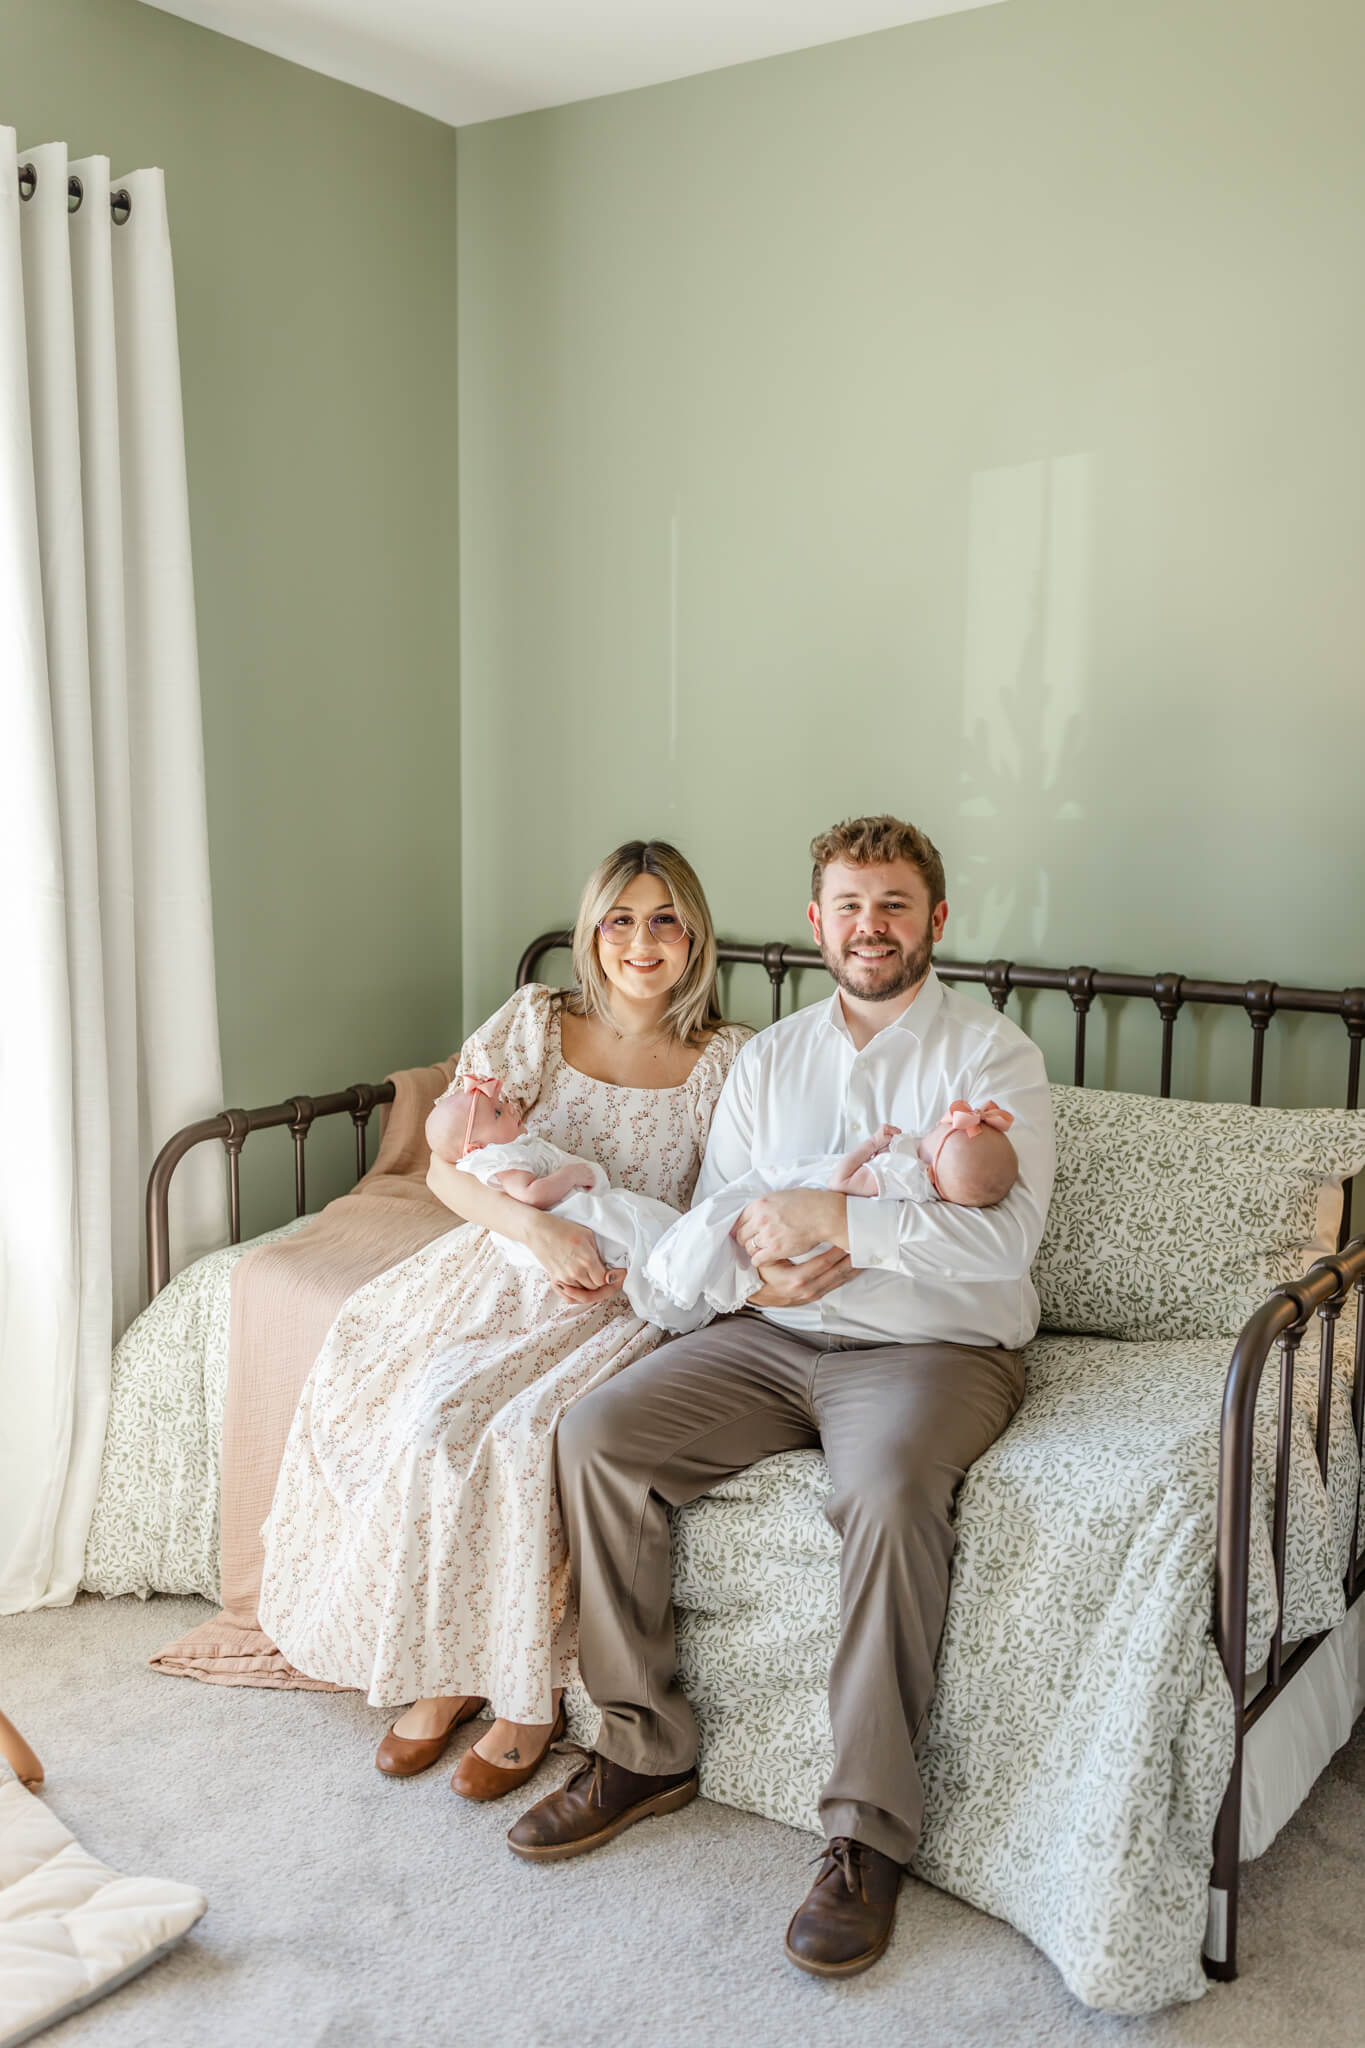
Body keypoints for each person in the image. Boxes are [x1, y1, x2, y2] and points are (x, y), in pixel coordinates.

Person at [508, 814, 1055, 1979]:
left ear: (937, 920)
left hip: (934, 1351)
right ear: (817, 923)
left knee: (893, 1491)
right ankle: (645, 1745)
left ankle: (864, 1835)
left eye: (896, 903)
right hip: (773, 1333)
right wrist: (769, 1265)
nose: (872, 926)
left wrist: (843, 1222)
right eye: (850, 905)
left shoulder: (993, 1057)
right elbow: (724, 1209)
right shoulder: (772, 1057)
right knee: (598, 1433)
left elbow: (1000, 1251)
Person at [257, 841, 749, 1803]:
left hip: (619, 1297)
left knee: (527, 1438)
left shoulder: (722, 1062)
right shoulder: (538, 1020)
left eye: (663, 920)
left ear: (693, 935)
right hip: (506, 1266)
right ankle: (445, 1675)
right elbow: (448, 1166)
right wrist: (534, 1228)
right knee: (432, 1414)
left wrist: (606, 1258)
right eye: (619, 920)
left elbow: (720, 1217)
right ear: (590, 932)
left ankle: (528, 1699)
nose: (640, 942)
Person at [642, 1100, 1017, 1322]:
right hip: (767, 1320)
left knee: (723, 1216)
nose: (939, 1124)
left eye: (944, 1131)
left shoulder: (902, 1174)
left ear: (933, 1166)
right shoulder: (762, 1055)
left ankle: (682, 1269)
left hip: (904, 1337)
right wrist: (761, 1290)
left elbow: (841, 1183)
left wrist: (872, 1144)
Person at [429, 1072, 709, 1333]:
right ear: (476, 1148)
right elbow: (529, 1194)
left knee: (635, 1229)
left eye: (501, 1104)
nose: (511, 1107)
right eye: (498, 1112)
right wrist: (567, 1179)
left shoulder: (713, 1067)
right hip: (553, 1227)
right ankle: (673, 1289)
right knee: (629, 1230)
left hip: (576, 1237)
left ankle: (676, 1280)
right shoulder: (502, 1158)